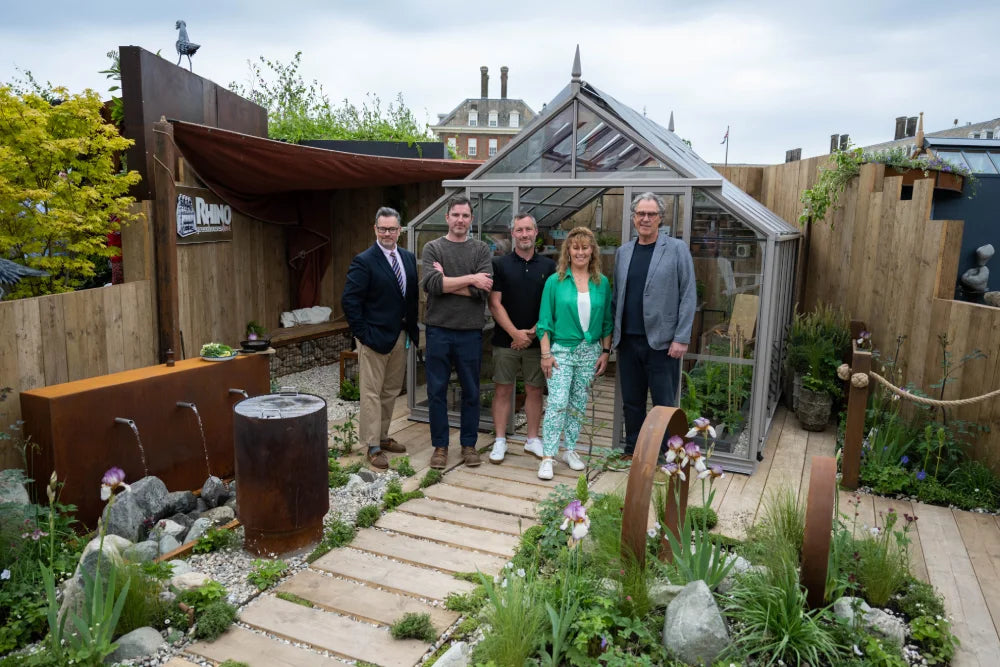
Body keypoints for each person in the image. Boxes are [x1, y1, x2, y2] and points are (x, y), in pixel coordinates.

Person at [612, 192, 697, 458]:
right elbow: (618, 295)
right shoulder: (623, 252)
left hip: (663, 342)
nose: (645, 219)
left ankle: (666, 455)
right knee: (632, 402)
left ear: (660, 218)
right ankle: (633, 450)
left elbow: (688, 293)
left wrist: (681, 337)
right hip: (628, 341)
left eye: (651, 214)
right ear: (633, 218)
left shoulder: (676, 249)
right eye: (641, 214)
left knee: (664, 404)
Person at [341, 206, 419, 471]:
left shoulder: (407, 258)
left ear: (400, 230)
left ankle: (383, 436)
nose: (388, 233)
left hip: (399, 336)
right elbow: (350, 301)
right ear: (375, 229)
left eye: (392, 229)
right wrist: (363, 335)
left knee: (390, 391)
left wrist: (412, 331)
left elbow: (409, 298)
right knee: (371, 393)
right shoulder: (364, 260)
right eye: (383, 228)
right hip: (373, 339)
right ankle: (372, 446)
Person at [421, 195, 493, 470]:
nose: (460, 220)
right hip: (438, 330)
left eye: (465, 216)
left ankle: (469, 445)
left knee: (471, 391)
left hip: (469, 332)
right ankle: (440, 446)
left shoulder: (480, 250)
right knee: (437, 390)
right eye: (456, 215)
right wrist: (470, 279)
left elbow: (481, 290)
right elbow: (431, 284)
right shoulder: (433, 248)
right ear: (447, 217)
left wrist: (448, 281)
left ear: (471, 220)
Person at [536, 227, 613, 480]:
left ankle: (570, 450)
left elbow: (607, 323)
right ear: (568, 251)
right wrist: (545, 354)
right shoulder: (555, 281)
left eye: (585, 247)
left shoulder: (601, 283)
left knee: (578, 403)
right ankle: (548, 456)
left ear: (593, 251)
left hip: (589, 352)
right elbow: (545, 321)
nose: (580, 252)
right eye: (575, 247)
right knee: (557, 402)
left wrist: (605, 351)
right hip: (561, 351)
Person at [487, 213, 556, 464]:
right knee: (503, 388)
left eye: (528, 229)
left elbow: (551, 306)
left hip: (538, 341)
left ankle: (532, 439)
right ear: (512, 234)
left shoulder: (549, 267)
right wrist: (515, 333)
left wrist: (530, 333)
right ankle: (500, 440)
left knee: (534, 389)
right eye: (519, 230)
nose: (524, 234)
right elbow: (495, 304)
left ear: (536, 233)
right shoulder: (500, 264)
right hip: (506, 340)